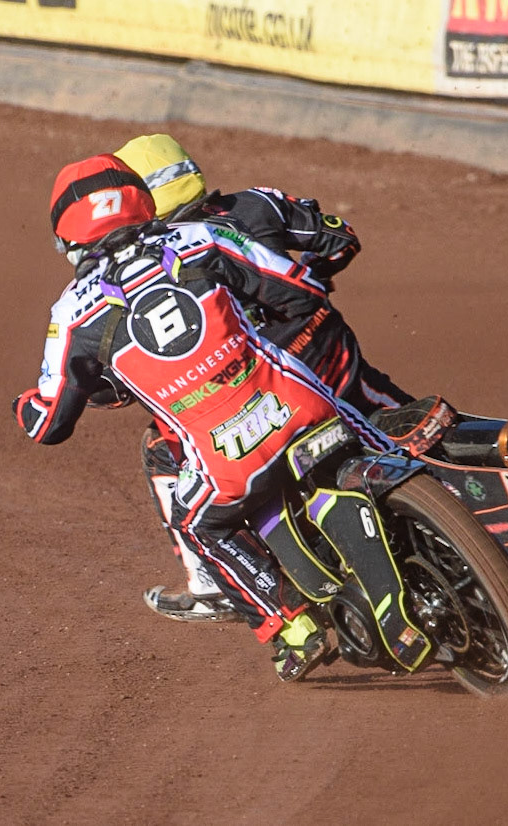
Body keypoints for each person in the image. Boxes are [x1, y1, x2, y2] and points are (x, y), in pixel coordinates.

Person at [12, 153, 396, 682]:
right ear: (141, 200)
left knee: (196, 521)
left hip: (228, 462)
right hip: (303, 405)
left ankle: (289, 625)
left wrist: (24, 405)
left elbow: (47, 425)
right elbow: (301, 291)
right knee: (378, 436)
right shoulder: (201, 238)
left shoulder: (71, 313)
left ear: (68, 239)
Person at [113, 134, 415, 623]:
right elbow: (341, 242)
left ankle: (213, 586)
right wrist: (304, 284)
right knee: (416, 427)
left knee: (160, 446)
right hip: (338, 365)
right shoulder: (258, 203)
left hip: (268, 395)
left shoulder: (157, 266)